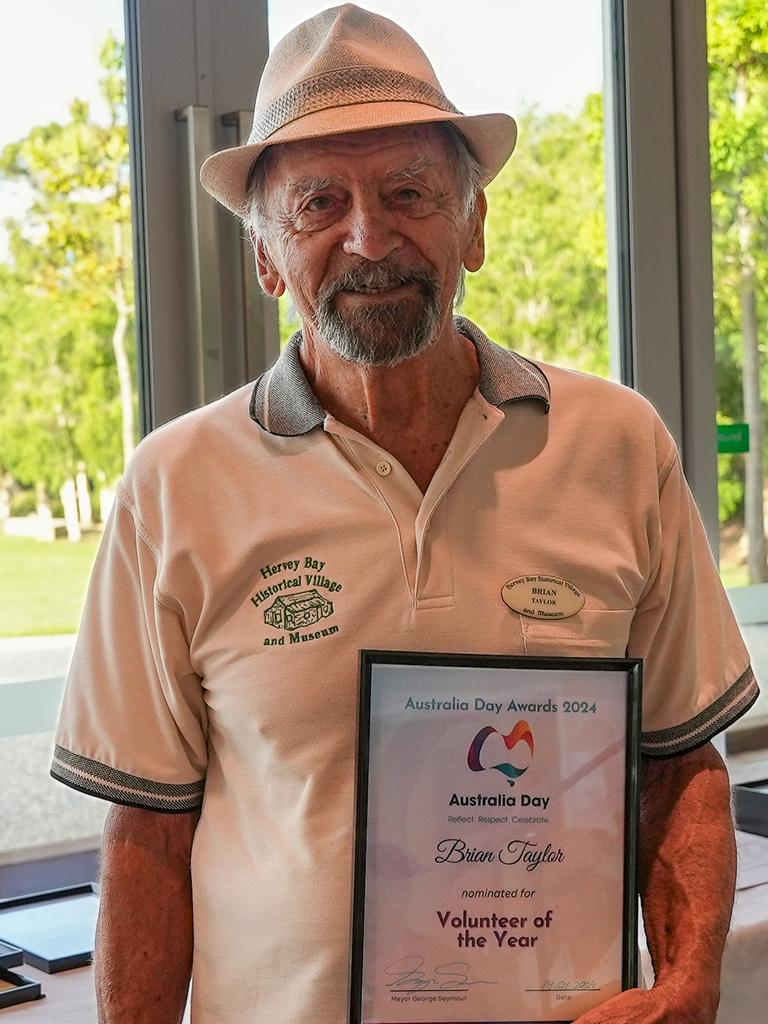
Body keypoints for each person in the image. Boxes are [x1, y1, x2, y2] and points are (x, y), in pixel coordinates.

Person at [52, 5, 758, 1023]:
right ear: (266, 258)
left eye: (410, 193)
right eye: (318, 204)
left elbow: (682, 762)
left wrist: (692, 983)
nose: (370, 236)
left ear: (472, 225)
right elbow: (147, 837)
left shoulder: (617, 446)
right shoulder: (174, 486)